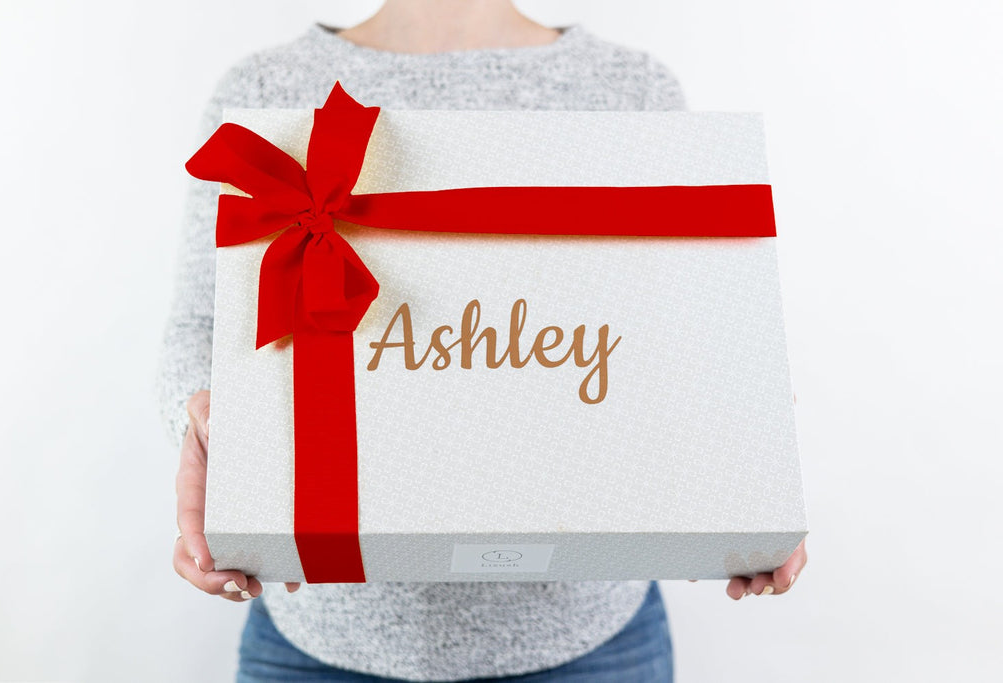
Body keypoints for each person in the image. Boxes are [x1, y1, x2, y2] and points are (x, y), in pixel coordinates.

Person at [157, 1, 808, 680]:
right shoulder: (265, 86)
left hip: (594, 644)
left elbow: (682, 332)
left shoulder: (631, 85)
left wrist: (750, 470)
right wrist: (204, 424)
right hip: (317, 644)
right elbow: (197, 331)